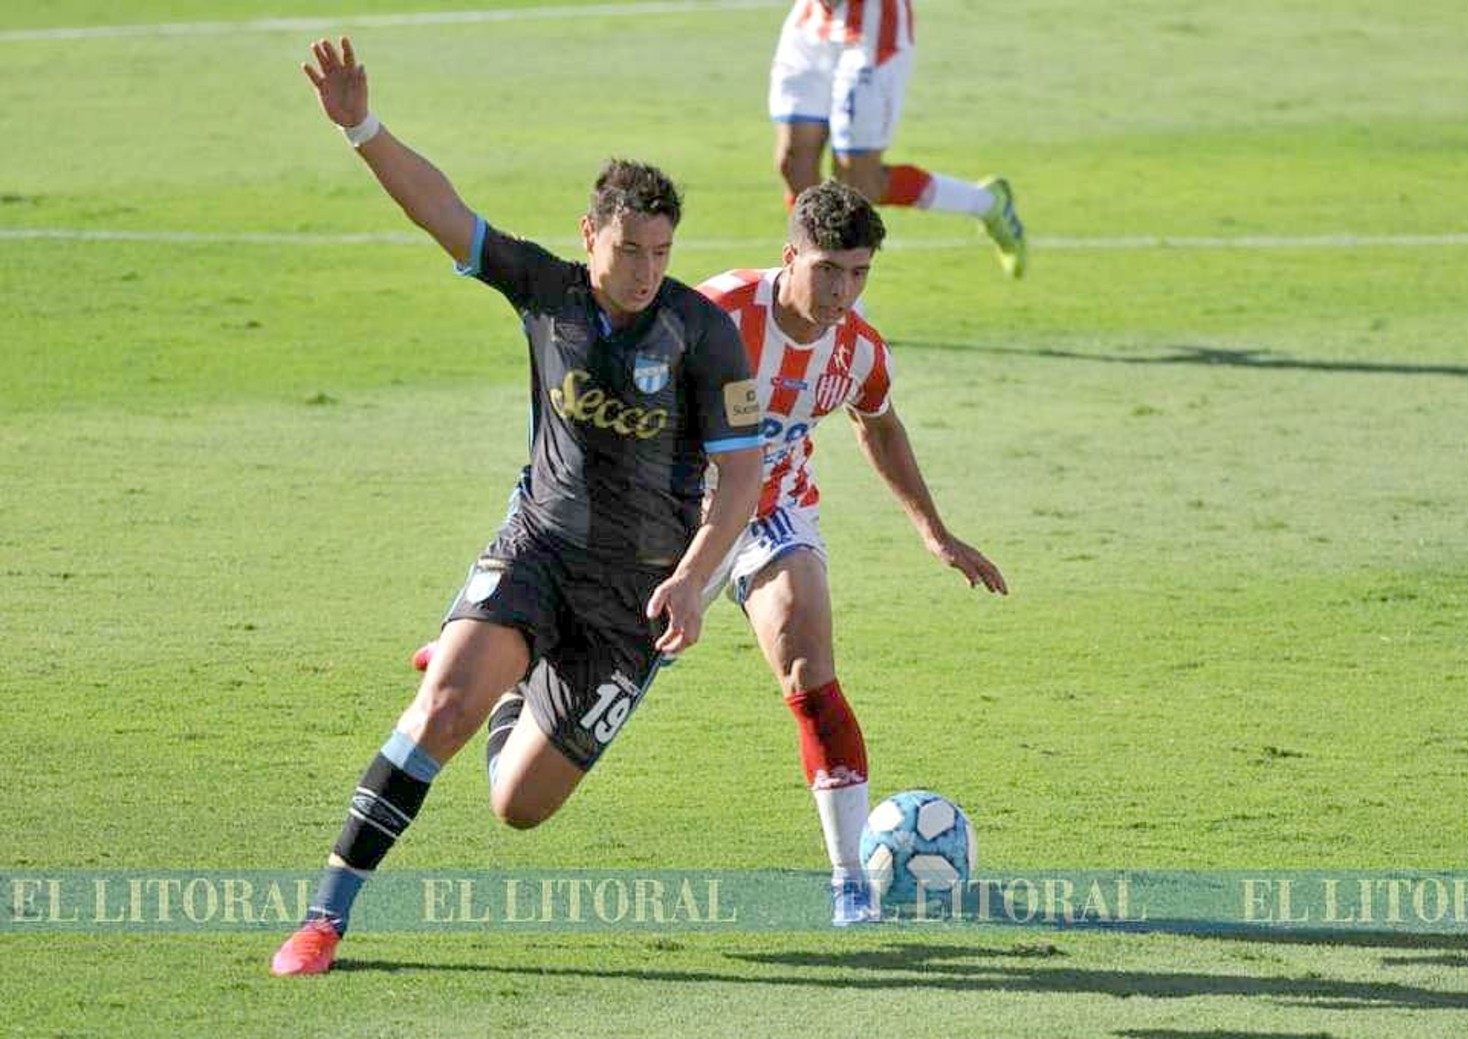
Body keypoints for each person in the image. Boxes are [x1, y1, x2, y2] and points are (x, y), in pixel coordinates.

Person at [273, 37, 763, 977]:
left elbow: (740, 481)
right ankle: (324, 917)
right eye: (629, 249)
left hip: (637, 596)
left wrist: (693, 582)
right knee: (439, 709)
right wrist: (361, 128)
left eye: (661, 253)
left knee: (519, 804)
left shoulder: (702, 334)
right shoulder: (547, 290)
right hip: (538, 548)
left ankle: (512, 674)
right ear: (591, 234)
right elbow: (442, 212)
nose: (646, 269)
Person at [474, 181, 1007, 928]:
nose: (842, 291)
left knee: (807, 657)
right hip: (667, 518)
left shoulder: (857, 350)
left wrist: (933, 530)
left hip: (773, 510)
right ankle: (509, 667)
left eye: (859, 274)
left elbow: (879, 424)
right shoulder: (713, 315)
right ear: (791, 256)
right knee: (568, 705)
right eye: (828, 270)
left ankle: (851, 881)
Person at [769, 0, 1028, 278]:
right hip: (813, 20)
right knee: (793, 163)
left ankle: (986, 203)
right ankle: (814, 278)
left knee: (859, 183)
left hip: (873, 28)